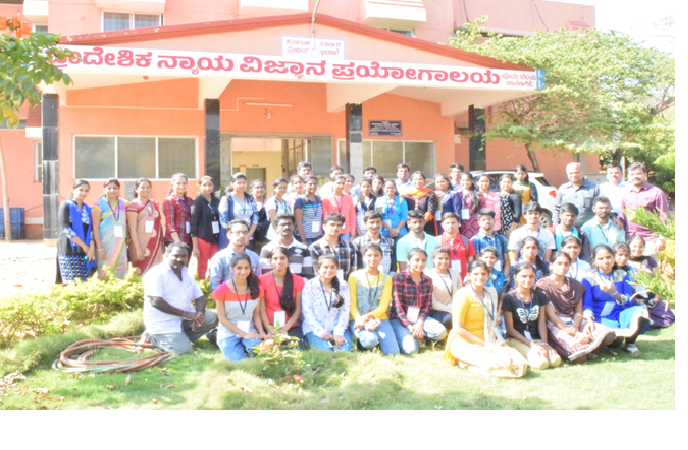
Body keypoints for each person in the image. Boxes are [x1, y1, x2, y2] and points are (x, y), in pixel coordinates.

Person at [444, 260, 527, 378]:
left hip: (489, 341)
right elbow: (458, 328)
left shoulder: (491, 293)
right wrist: (484, 345)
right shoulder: (462, 295)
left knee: (518, 363)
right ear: (468, 276)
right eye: (476, 274)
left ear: (488, 275)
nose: (480, 277)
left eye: (483, 274)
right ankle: (464, 362)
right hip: (465, 343)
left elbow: (493, 322)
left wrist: (498, 339)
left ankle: (471, 363)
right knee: (498, 365)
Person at [535, 252, 615, 363]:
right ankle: (587, 348)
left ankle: (589, 346)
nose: (563, 267)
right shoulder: (543, 285)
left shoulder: (574, 284)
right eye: (559, 263)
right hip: (555, 324)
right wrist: (576, 334)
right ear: (551, 265)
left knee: (609, 336)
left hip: (574, 320)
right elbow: (551, 315)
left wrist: (576, 326)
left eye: (566, 264)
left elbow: (578, 311)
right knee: (579, 357)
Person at [142, 242, 218, 354]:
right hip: (164, 323)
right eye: (176, 255)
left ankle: (180, 338)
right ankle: (153, 338)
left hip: (183, 320)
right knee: (184, 350)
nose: (180, 259)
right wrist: (186, 314)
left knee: (212, 318)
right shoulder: (156, 274)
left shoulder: (186, 273)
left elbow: (200, 297)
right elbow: (156, 302)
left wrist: (199, 316)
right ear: (167, 255)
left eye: (184, 256)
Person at [582, 245, 650, 356]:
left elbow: (630, 301)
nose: (605, 261)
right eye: (601, 258)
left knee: (641, 311)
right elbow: (587, 304)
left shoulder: (622, 275)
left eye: (609, 257)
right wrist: (589, 320)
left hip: (619, 313)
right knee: (616, 342)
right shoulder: (588, 278)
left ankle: (630, 344)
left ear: (614, 258)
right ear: (594, 260)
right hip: (600, 316)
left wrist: (614, 293)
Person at [502, 262, 562, 370]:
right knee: (541, 363)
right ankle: (521, 357)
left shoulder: (540, 296)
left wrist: (544, 343)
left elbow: (541, 322)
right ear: (515, 277)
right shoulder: (509, 298)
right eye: (523, 276)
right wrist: (531, 345)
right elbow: (510, 329)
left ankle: (529, 356)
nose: (528, 279)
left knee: (555, 361)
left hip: (536, 339)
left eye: (531, 276)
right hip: (517, 339)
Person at [213, 253, 270, 362]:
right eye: (239, 268)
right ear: (232, 268)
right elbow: (222, 318)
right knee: (240, 362)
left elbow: (256, 315)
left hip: (249, 329)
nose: (243, 272)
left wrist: (262, 333)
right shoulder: (221, 290)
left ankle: (247, 348)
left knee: (259, 354)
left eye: (246, 268)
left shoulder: (257, 288)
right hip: (228, 332)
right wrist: (243, 334)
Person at [390, 248, 448, 354]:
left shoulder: (428, 280)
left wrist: (420, 323)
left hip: (419, 319)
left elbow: (427, 305)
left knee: (441, 333)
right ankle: (413, 336)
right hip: (400, 319)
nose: (420, 263)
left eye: (423, 260)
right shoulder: (400, 277)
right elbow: (397, 306)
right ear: (408, 261)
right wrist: (409, 326)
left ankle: (420, 336)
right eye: (416, 260)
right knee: (411, 350)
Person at [348, 243, 399, 354]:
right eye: (369, 255)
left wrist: (366, 317)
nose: (373, 258)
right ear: (363, 257)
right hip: (358, 318)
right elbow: (352, 304)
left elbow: (383, 306)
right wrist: (360, 319)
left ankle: (379, 340)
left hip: (380, 319)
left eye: (376, 255)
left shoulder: (387, 279)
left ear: (381, 257)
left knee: (393, 352)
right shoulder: (354, 276)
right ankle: (362, 340)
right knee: (369, 340)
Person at [301, 254, 353, 352]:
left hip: (338, 328)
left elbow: (345, 311)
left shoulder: (343, 285)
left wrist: (338, 332)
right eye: (325, 267)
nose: (329, 270)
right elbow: (307, 312)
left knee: (346, 352)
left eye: (332, 267)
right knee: (326, 353)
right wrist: (320, 332)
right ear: (318, 269)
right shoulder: (310, 285)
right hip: (314, 329)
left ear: (336, 268)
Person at [622, 237, 675, 329]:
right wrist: (636, 300)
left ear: (644, 248)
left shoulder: (650, 261)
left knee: (668, 319)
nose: (637, 249)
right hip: (633, 296)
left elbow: (657, 280)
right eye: (634, 246)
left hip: (650, 297)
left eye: (641, 247)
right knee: (639, 318)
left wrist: (657, 296)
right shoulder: (624, 262)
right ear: (628, 246)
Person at [259, 246, 306, 349]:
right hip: (269, 326)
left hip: (290, 325)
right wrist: (270, 330)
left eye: (282, 258)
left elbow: (298, 309)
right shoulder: (262, 280)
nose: (279, 261)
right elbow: (261, 310)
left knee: (298, 349)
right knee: (271, 350)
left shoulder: (298, 280)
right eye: (275, 258)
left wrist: (285, 329)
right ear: (270, 261)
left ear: (288, 260)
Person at [620, 162, 670, 259]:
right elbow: (623, 216)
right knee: (632, 267)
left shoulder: (657, 193)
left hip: (650, 239)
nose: (635, 176)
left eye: (638, 174)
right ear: (628, 177)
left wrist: (661, 238)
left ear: (645, 175)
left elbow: (664, 217)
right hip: (630, 239)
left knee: (650, 267)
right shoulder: (626, 194)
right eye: (632, 174)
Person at [56, 179, 97, 284]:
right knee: (71, 281)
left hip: (86, 249)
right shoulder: (66, 206)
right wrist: (84, 246)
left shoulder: (88, 209)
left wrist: (91, 249)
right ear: (73, 190)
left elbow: (91, 231)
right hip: (69, 247)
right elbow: (66, 229)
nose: (83, 193)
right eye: (81, 190)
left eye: (86, 191)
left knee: (85, 280)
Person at [208, 219, 262, 291]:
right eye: (238, 232)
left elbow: (258, 283)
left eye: (245, 232)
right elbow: (215, 288)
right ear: (229, 235)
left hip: (250, 296)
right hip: (226, 297)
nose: (242, 236)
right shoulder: (219, 258)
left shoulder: (254, 257)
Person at [126, 178, 163, 276]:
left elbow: (159, 225)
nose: (146, 190)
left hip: (155, 245)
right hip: (139, 244)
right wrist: (138, 250)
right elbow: (132, 229)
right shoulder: (133, 205)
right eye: (142, 187)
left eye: (148, 187)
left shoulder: (154, 204)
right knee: (141, 273)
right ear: (136, 189)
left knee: (156, 273)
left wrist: (162, 245)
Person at [92, 178, 128, 279]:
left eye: (115, 188)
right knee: (105, 270)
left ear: (118, 189)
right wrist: (100, 248)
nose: (112, 191)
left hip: (120, 243)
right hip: (104, 243)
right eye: (109, 188)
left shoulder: (124, 203)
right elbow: (95, 227)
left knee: (121, 271)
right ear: (104, 190)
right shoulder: (98, 204)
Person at [259, 212, 311, 278]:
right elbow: (265, 275)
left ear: (294, 227)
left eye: (289, 224)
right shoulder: (267, 249)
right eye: (282, 225)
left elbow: (308, 275)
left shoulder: (303, 248)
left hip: (298, 284)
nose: (286, 227)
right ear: (276, 228)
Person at [308, 213, 357, 282]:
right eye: (332, 225)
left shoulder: (349, 247)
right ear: (324, 227)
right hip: (323, 286)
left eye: (338, 225)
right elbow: (315, 273)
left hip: (345, 286)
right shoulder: (315, 248)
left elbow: (354, 272)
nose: (335, 228)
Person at [219, 173, 260, 251]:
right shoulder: (226, 199)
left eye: (244, 182)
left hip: (249, 238)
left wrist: (248, 236)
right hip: (232, 238)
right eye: (239, 183)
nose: (242, 185)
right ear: (232, 184)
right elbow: (224, 221)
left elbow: (255, 219)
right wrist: (236, 236)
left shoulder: (251, 198)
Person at [190, 176, 220, 280]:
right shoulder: (197, 202)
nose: (207, 188)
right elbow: (193, 225)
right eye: (204, 185)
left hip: (216, 238)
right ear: (200, 187)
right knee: (202, 266)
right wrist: (195, 246)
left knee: (215, 264)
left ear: (213, 186)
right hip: (203, 238)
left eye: (210, 185)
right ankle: (202, 286)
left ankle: (212, 285)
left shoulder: (217, 201)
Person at [554, 162, 600, 227]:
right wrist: (555, 225)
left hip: (588, 227)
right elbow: (557, 209)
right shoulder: (562, 189)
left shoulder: (594, 188)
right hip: (568, 228)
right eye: (571, 173)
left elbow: (600, 208)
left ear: (582, 172)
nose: (574, 175)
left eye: (576, 172)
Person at [427, 247, 463, 331]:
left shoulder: (455, 274)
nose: (444, 261)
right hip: (436, 310)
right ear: (433, 259)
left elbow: (461, 295)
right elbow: (433, 303)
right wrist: (452, 310)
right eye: (440, 258)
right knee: (448, 318)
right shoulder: (428, 276)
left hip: (454, 307)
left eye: (446, 258)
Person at [351, 210, 396, 274]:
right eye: (371, 222)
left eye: (378, 222)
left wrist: (390, 278)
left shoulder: (390, 242)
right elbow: (356, 266)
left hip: (386, 278)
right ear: (365, 224)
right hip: (364, 278)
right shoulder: (358, 242)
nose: (375, 226)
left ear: (381, 223)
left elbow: (393, 267)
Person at [471, 209, 510, 275]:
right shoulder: (475, 240)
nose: (487, 221)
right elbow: (476, 262)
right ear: (479, 223)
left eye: (489, 219)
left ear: (494, 220)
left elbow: (507, 261)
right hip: (483, 277)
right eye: (483, 220)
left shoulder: (502, 239)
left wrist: (504, 278)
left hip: (500, 277)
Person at [439, 212, 476, 280]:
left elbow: (471, 263)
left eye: (453, 222)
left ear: (459, 224)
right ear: (442, 225)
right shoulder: (437, 241)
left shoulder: (466, 241)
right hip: (444, 279)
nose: (450, 225)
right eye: (447, 223)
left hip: (463, 279)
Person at [402, 171, 439, 236]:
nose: (418, 181)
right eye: (415, 179)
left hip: (426, 224)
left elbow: (431, 210)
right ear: (411, 181)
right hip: (410, 224)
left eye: (420, 179)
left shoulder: (430, 194)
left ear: (424, 181)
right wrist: (412, 223)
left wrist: (421, 223)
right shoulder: (406, 196)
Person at [163, 173, 193, 248]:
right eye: (178, 183)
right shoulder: (169, 201)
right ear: (172, 185)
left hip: (188, 241)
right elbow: (170, 224)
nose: (181, 186)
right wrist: (178, 243)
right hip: (175, 242)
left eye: (184, 183)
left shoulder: (190, 201)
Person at [294, 175, 324, 245]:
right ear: (305, 185)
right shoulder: (300, 200)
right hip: (306, 238)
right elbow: (298, 221)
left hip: (318, 236)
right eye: (310, 184)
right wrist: (303, 240)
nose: (313, 186)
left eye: (315, 184)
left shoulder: (318, 199)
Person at [497, 174, 522, 238]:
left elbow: (517, 214)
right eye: (504, 182)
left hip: (509, 227)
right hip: (498, 227)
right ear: (500, 183)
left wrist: (511, 230)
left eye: (508, 182)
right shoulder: (496, 196)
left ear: (511, 183)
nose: (506, 184)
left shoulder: (514, 196)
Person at [250, 179, 270, 253]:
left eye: (262, 187)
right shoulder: (248, 203)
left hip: (266, 237)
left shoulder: (269, 202)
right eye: (257, 188)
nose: (260, 189)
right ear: (251, 190)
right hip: (252, 237)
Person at [458, 172, 480, 238]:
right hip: (461, 221)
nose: (465, 182)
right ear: (460, 181)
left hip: (474, 222)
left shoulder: (477, 194)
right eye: (463, 180)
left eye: (468, 180)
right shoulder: (457, 194)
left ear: (472, 181)